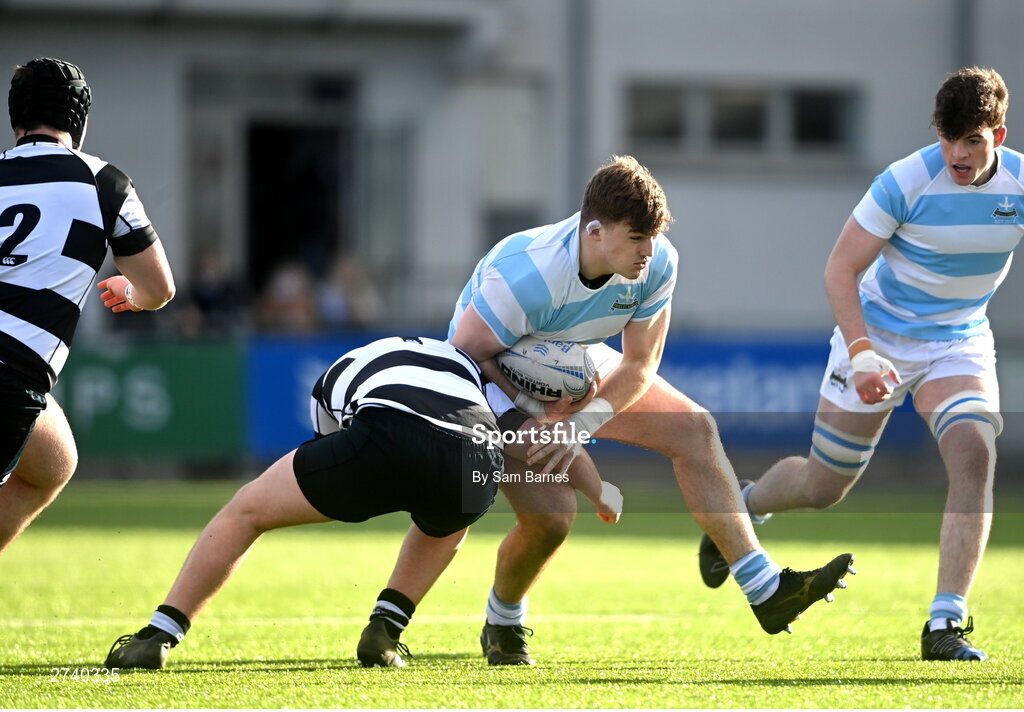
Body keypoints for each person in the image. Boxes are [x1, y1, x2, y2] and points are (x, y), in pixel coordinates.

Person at [370, 155, 856, 667]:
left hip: (568, 360)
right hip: (491, 379)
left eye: (653, 237)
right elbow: (467, 352)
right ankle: (502, 622)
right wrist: (532, 411)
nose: (648, 252)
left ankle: (764, 588)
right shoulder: (528, 274)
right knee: (552, 520)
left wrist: (577, 424)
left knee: (694, 429)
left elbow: (640, 363)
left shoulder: (658, 261)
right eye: (636, 239)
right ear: (596, 232)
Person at [698, 67, 1020, 662]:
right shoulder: (903, 182)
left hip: (958, 341)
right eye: (950, 137)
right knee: (825, 486)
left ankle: (945, 623)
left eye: (972, 139)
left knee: (975, 453)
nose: (958, 153)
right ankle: (742, 511)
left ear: (997, 137)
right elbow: (839, 270)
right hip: (877, 335)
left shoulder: (1019, 185)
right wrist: (863, 351)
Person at [104, 336, 622, 670]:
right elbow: (552, 444)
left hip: (386, 428)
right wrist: (603, 493)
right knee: (449, 520)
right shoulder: (485, 389)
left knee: (246, 510)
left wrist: (358, 490)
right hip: (474, 455)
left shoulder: (347, 368)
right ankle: (384, 631)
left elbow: (332, 446)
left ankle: (159, 633)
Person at [0, 57, 174, 557]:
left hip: (12, 371)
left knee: (53, 462)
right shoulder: (102, 182)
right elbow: (160, 287)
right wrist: (133, 296)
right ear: (79, 120)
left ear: (17, 117)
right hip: (11, 372)